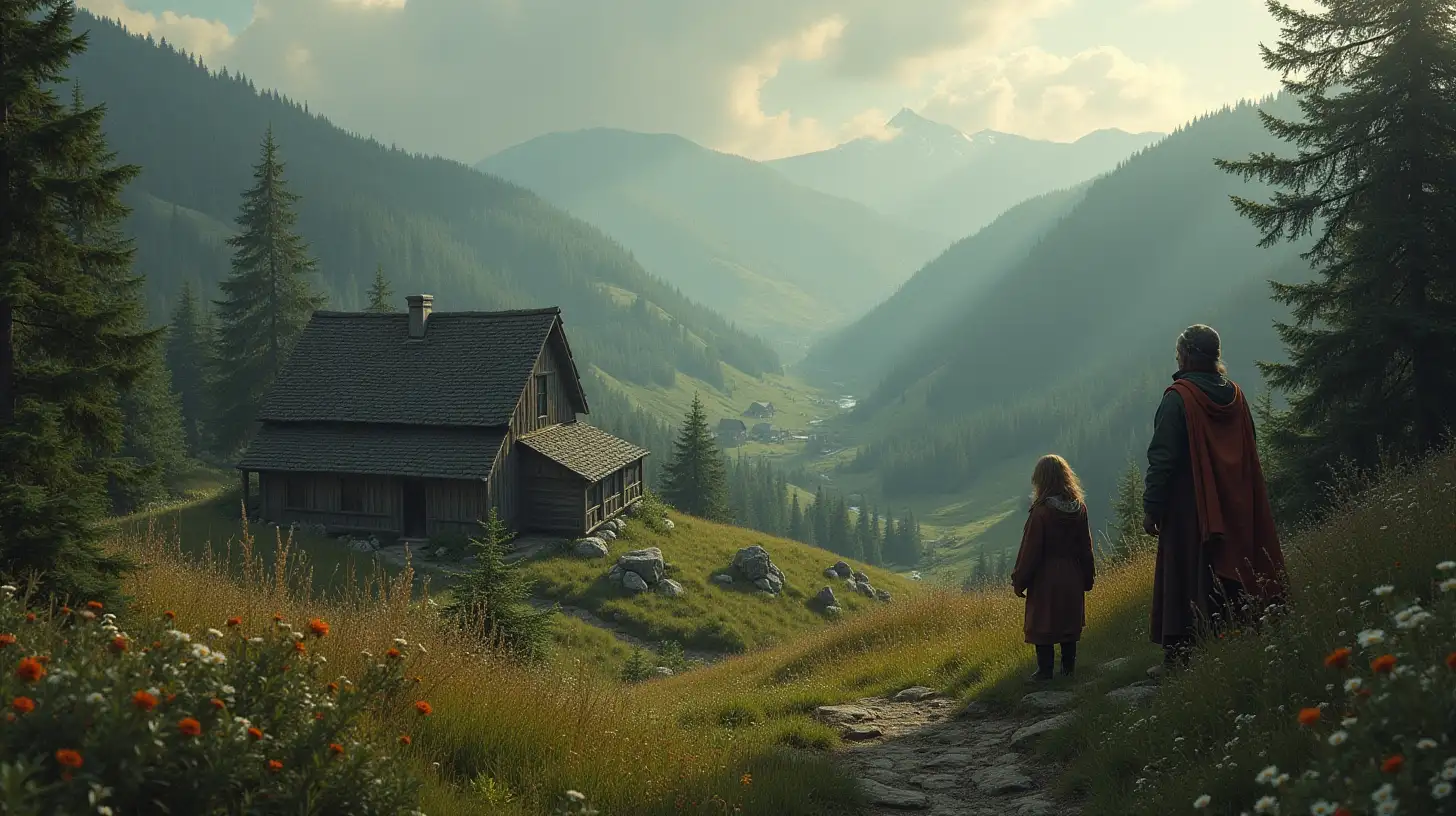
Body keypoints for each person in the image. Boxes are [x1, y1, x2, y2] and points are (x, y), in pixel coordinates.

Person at [1143, 325, 1286, 671]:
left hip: (1189, 506)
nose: (1177, 357)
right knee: (1233, 568)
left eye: (1179, 352)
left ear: (1189, 355)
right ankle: (1236, 643)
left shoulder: (1179, 398)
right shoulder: (1235, 396)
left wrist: (1152, 508)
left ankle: (1178, 658)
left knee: (1184, 574)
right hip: (1236, 500)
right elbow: (1248, 444)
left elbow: (1162, 458)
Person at [1012, 454, 1096, 681]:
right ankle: (1068, 671)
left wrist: (1020, 580)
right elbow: (1086, 548)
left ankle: (1045, 670)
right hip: (1072, 575)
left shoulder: (1041, 513)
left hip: (1046, 578)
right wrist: (1088, 578)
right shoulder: (1079, 509)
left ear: (1041, 480)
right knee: (1069, 624)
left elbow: (1030, 551)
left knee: (1043, 623)